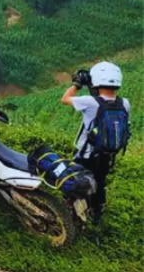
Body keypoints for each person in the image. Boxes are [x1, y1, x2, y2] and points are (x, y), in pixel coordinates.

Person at [60, 61, 131, 224]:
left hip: (86, 154)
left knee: (78, 180)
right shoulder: (124, 103)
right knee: (100, 180)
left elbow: (65, 99)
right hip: (108, 154)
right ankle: (97, 212)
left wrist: (77, 84)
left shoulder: (90, 102)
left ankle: (72, 213)